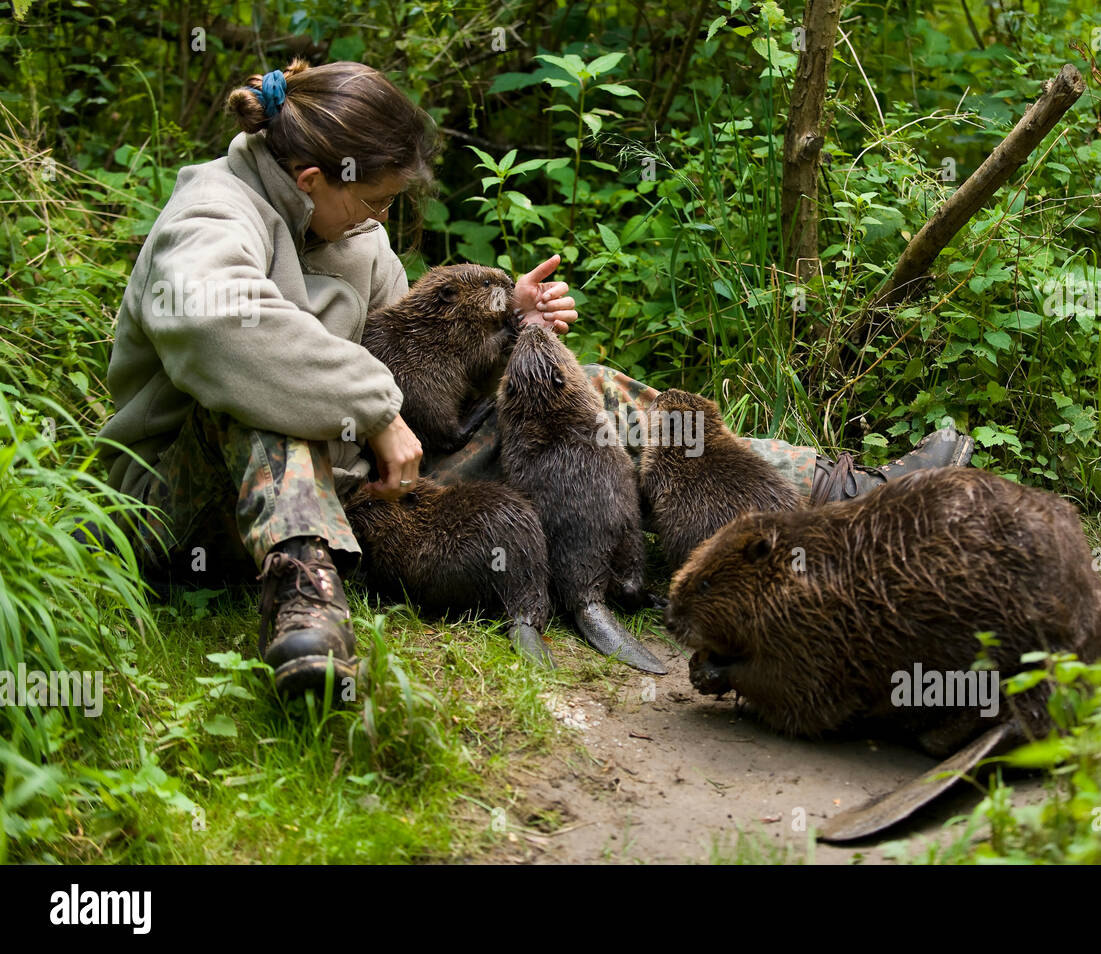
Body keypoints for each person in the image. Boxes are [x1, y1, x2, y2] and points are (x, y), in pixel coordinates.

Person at [96, 59, 973, 700]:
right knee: (260, 405)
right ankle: (306, 607)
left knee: (564, 387)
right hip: (185, 501)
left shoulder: (349, 230)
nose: (383, 221)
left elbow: (403, 349)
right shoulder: (212, 210)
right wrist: (370, 405)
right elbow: (221, 333)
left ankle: (837, 489)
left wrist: (499, 322)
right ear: (315, 176)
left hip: (361, 482)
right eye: (376, 202)